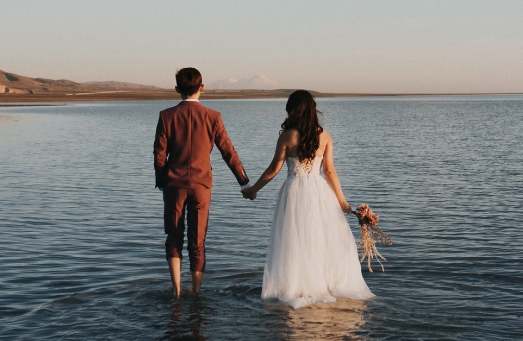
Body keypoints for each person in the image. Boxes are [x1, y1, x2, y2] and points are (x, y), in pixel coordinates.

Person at [242, 90, 374, 308]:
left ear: (292, 110)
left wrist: (254, 189)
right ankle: (322, 282)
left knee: (295, 240)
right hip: (319, 192)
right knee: (319, 238)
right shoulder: (325, 136)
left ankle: (299, 284)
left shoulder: (286, 136)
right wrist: (342, 202)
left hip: (293, 191)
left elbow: (274, 169)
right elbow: (330, 171)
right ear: (313, 110)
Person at [154, 67, 249, 297]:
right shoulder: (213, 117)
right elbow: (228, 152)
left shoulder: (166, 116)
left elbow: (159, 154)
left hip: (174, 186)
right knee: (198, 243)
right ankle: (195, 293)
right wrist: (244, 182)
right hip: (202, 186)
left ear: (177, 89)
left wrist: (162, 180)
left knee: (174, 238)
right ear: (202, 88)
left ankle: (176, 291)